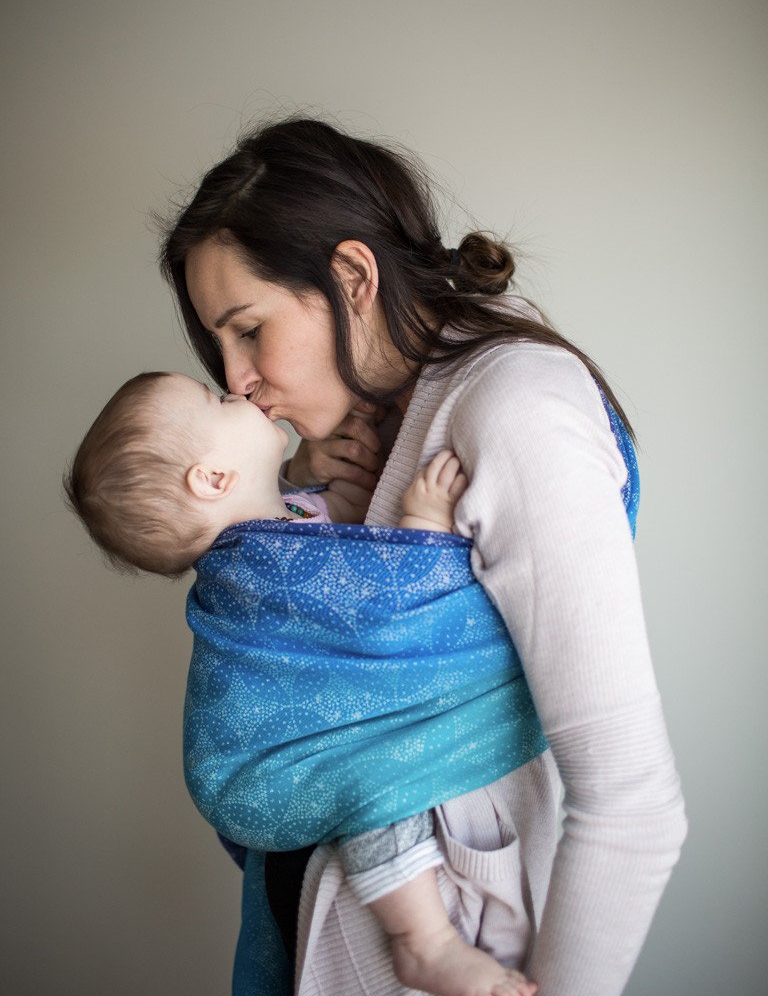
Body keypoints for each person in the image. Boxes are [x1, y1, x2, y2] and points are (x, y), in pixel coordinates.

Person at [158, 117, 687, 996]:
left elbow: (631, 802)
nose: (235, 378)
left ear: (354, 278)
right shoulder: (386, 410)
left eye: (247, 330)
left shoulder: (515, 412)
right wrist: (293, 483)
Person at [64, 370, 537, 996]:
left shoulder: (288, 515)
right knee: (374, 787)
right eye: (216, 401)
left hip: (297, 749)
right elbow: (378, 603)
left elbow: (349, 531)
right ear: (211, 479)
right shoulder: (256, 571)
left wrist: (332, 467)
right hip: (263, 768)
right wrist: (423, 527)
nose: (235, 389)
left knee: (369, 780)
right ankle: (423, 944)